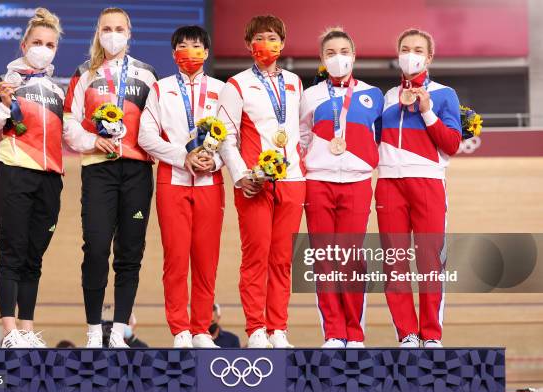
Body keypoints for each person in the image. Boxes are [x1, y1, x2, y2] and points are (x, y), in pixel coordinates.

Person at [0, 8, 87, 348]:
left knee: (34, 257)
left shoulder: (57, 90)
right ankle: (10, 333)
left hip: (51, 179)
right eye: (37, 42)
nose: (43, 48)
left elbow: (71, 136)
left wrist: (102, 140)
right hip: (15, 172)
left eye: (50, 44)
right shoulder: (4, 84)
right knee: (12, 252)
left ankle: (27, 329)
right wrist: (4, 105)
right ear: (24, 44)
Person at [63, 7, 157, 348]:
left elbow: (156, 125)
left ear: (129, 33)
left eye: (119, 28)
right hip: (98, 169)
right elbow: (69, 122)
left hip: (137, 170)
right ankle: (92, 331)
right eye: (107, 28)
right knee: (97, 249)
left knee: (130, 252)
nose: (113, 34)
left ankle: (118, 332)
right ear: (98, 33)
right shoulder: (84, 73)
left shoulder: (147, 76)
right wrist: (93, 140)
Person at [217, 15, 305, 348]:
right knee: (256, 257)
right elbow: (225, 136)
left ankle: (278, 328)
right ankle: (256, 328)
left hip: (293, 180)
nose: (265, 44)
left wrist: (302, 167)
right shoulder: (236, 84)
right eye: (258, 38)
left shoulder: (296, 83)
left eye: (271, 37)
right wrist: (240, 176)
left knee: (283, 259)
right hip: (255, 182)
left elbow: (301, 131)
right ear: (248, 45)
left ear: (281, 43)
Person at [139, 25, 224, 348]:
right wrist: (183, 156)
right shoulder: (159, 90)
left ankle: (201, 329)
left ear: (206, 51)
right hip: (172, 180)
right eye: (184, 45)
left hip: (209, 182)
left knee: (206, 259)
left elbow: (233, 136)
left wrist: (213, 162)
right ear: (174, 53)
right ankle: (180, 330)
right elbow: (146, 136)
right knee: (175, 259)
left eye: (197, 45)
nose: (191, 50)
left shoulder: (221, 89)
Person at [376, 28, 461, 348]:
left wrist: (426, 110)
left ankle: (431, 334)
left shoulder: (444, 94)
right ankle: (407, 333)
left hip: (427, 182)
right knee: (394, 261)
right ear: (398, 55)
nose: (411, 54)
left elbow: (452, 143)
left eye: (418, 49)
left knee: (429, 261)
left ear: (429, 57)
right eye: (405, 48)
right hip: (388, 185)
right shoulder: (385, 97)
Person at [300, 27, 383, 348]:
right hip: (318, 183)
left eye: (344, 52)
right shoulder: (311, 96)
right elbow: (302, 138)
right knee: (324, 258)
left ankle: (354, 332)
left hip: (358, 183)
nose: (338, 59)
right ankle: (334, 332)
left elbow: (380, 138)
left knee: (351, 259)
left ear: (354, 55)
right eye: (331, 53)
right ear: (322, 59)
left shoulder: (373, 94)